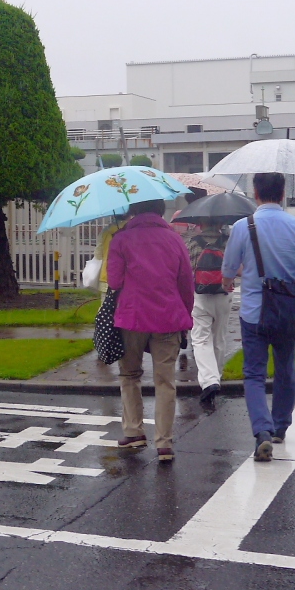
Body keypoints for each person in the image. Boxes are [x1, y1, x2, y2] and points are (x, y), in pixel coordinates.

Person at [222, 172, 295, 462]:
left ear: (255, 192)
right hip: (287, 311)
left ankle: (261, 431)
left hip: (253, 312)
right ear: (283, 192)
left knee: (253, 373)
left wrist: (234, 280)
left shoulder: (242, 227)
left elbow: (228, 270)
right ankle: (279, 427)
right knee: (286, 368)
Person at [107, 198, 194, 463]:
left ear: (133, 209)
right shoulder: (174, 239)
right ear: (160, 209)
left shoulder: (121, 239)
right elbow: (186, 282)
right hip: (168, 316)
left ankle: (134, 431)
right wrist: (185, 316)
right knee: (165, 381)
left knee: (130, 374)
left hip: (132, 316)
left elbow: (114, 281)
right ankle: (164, 444)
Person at [185, 220, 233, 411]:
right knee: (219, 337)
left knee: (200, 338)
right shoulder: (228, 241)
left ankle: (209, 380)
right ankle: (217, 376)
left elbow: (188, 270)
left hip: (200, 295)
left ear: (201, 223)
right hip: (224, 293)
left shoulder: (193, 242)